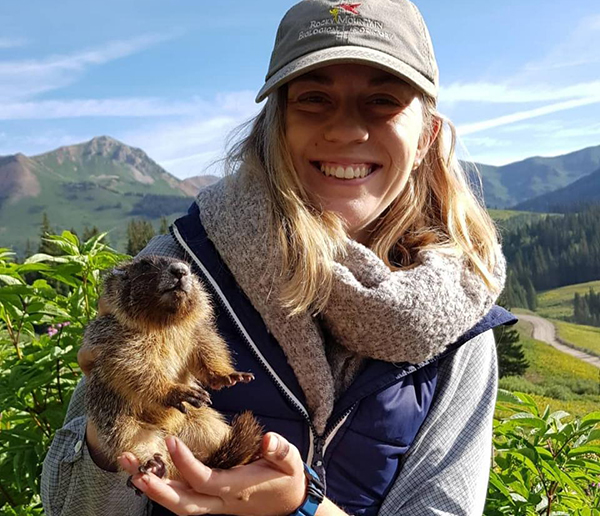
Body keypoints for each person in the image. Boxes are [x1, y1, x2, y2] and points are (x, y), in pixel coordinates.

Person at [41, 0, 516, 515]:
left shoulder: (459, 322)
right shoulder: (184, 266)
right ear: (276, 124)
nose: (346, 130)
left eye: (382, 100)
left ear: (425, 137)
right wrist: (119, 424)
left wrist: (302, 506)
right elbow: (71, 505)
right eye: (314, 98)